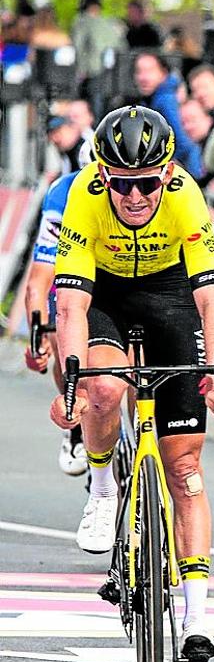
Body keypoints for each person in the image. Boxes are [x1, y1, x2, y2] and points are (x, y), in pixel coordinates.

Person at [49, 106, 214, 662]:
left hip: (168, 291)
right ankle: (105, 487)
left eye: (147, 184)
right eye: (123, 184)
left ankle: (197, 621)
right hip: (102, 291)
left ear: (166, 175)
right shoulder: (84, 196)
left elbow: (212, 300)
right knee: (106, 390)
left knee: (184, 469)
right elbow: (72, 308)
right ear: (104, 176)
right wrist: (74, 386)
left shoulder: (186, 197)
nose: (135, 197)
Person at [24, 170, 87, 477]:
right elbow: (38, 281)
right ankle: (75, 425)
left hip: (117, 271)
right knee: (63, 336)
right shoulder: (62, 193)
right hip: (69, 276)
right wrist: (38, 340)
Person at [133, 52, 203, 178]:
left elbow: (182, 142)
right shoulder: (153, 99)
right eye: (139, 71)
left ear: (163, 73)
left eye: (150, 71)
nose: (143, 77)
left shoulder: (165, 100)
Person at [71, 0, 126, 119]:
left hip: (92, 73)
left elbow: (77, 47)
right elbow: (122, 47)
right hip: (113, 76)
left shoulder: (81, 21)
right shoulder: (111, 24)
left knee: (91, 113)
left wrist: (79, 70)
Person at [45, 116, 92, 183]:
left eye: (58, 133)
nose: (55, 139)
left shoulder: (87, 148)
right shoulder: (66, 153)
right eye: (51, 136)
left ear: (71, 128)